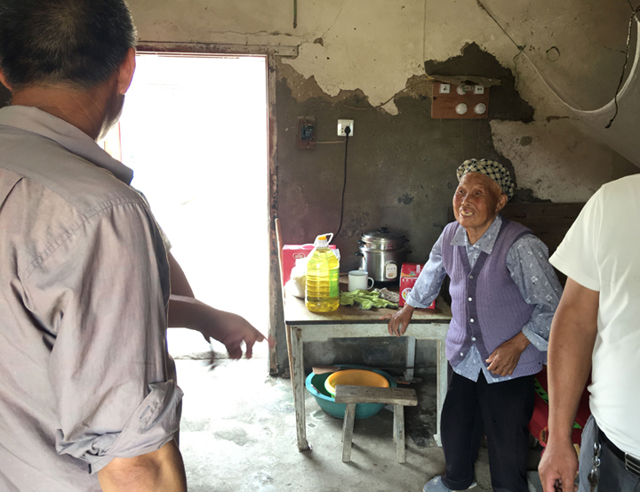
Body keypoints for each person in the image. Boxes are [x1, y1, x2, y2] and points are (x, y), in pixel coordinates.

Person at [0, 1, 265, 490]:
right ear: (127, 67)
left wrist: (206, 315)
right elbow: (134, 463)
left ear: (5, 71)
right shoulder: (102, 212)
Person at [384, 159, 562, 492]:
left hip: (510, 363)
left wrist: (518, 344)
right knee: (457, 424)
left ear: (500, 201)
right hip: (465, 354)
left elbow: (554, 308)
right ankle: (458, 481)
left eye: (478, 193)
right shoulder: (451, 234)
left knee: (505, 438)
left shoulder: (521, 246)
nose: (465, 201)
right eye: (461, 191)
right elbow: (433, 270)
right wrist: (408, 307)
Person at [538, 175, 640, 492]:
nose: (466, 201)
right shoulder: (615, 201)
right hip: (612, 458)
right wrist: (558, 437)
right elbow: (575, 321)